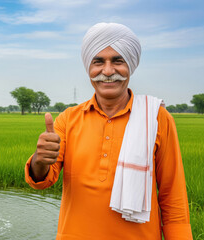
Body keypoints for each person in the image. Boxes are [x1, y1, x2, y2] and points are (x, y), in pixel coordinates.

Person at [25, 23, 192, 240]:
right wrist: (41, 159)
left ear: (130, 65)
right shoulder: (69, 119)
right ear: (88, 67)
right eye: (98, 62)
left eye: (117, 60)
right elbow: (42, 180)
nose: (108, 71)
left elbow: (173, 197)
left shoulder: (157, 119)